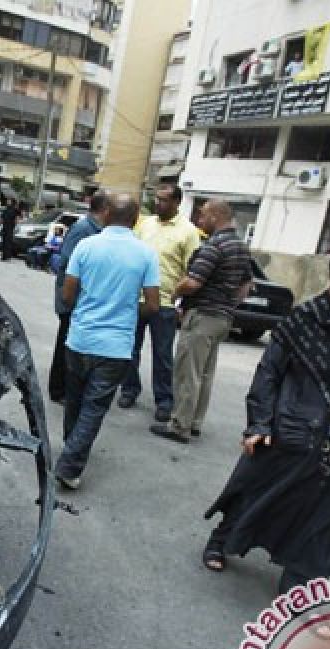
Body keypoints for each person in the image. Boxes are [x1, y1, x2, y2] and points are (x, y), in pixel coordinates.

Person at [200, 250, 330, 592]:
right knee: (258, 491)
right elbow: (269, 372)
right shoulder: (307, 318)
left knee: (326, 522)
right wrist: (260, 424)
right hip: (293, 430)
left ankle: (300, 588)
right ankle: (222, 539)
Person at [54, 194, 159, 489]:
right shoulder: (146, 254)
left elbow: (68, 294)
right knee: (94, 406)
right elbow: (153, 304)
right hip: (115, 346)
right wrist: (124, 308)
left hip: (79, 339)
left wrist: (90, 304)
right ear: (136, 218)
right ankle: (71, 464)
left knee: (75, 400)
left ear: (107, 213)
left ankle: (71, 447)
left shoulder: (86, 246)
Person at [150, 200, 251, 443]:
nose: (199, 220)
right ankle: (194, 422)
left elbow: (193, 282)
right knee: (204, 373)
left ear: (216, 216)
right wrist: (228, 303)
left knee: (187, 371)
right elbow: (246, 285)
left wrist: (175, 292)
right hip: (222, 318)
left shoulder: (214, 245)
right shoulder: (240, 246)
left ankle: (179, 425)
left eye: (203, 215)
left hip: (203, 315)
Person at [118, 185, 202, 422]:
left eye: (163, 200)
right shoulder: (145, 224)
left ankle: (164, 401)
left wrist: (181, 303)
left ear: (177, 203)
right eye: (156, 199)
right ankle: (129, 390)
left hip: (165, 303)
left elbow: (192, 270)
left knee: (162, 355)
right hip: (136, 299)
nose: (158, 204)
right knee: (129, 350)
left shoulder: (188, 232)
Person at [48, 191, 110, 404]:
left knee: (71, 345)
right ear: (105, 210)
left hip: (80, 298)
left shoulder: (96, 231)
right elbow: (67, 264)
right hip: (71, 298)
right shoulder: (83, 229)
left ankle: (66, 387)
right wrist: (68, 298)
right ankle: (58, 390)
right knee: (64, 345)